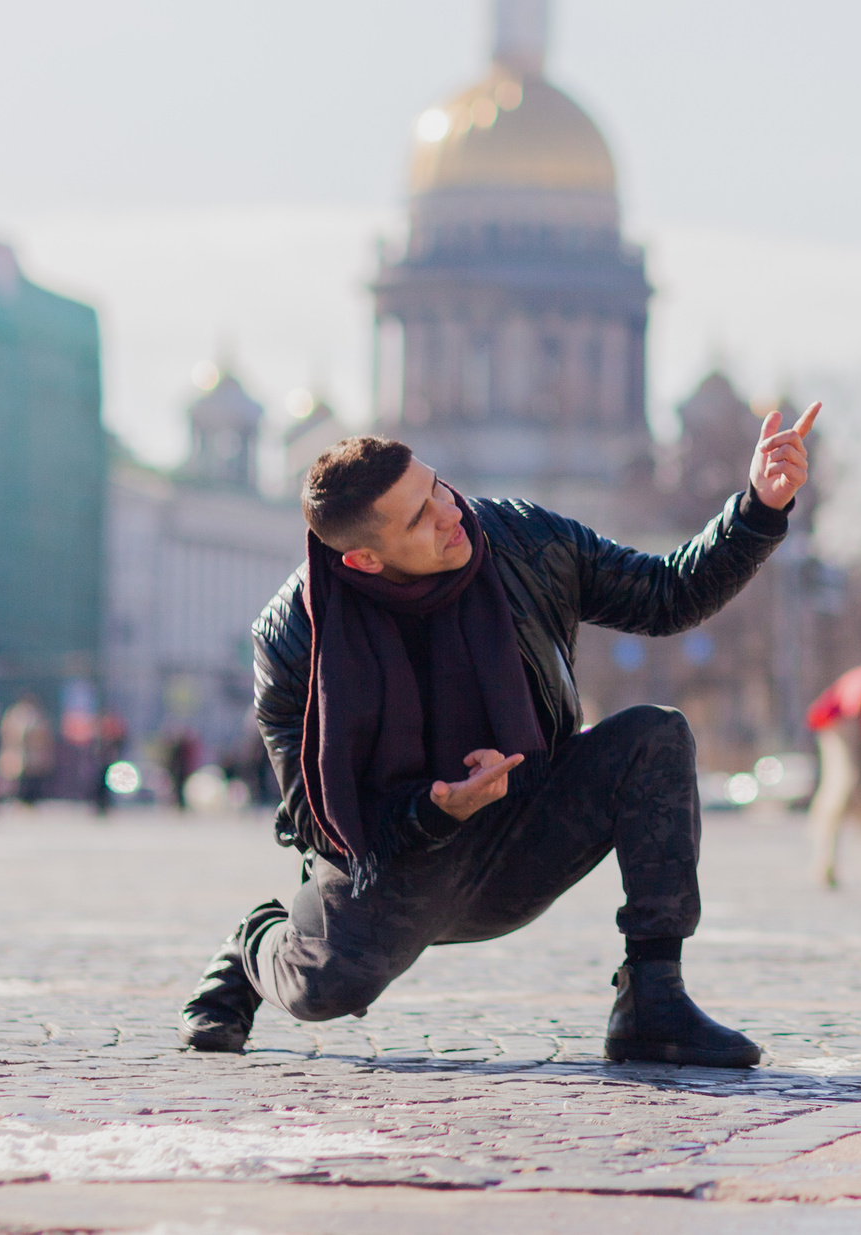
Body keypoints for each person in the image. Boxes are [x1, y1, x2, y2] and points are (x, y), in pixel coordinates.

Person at [177, 408, 818, 1065]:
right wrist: (435, 809)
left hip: (528, 816)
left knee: (655, 737)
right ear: (364, 559)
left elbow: (666, 594)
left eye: (437, 487)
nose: (450, 513)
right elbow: (316, 819)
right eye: (419, 518)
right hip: (396, 855)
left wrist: (759, 507)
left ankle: (652, 998)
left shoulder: (523, 539)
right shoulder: (291, 637)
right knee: (324, 990)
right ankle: (254, 943)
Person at [0, 696, 51, 808]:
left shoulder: (36, 715)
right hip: (17, 754)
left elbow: (42, 735)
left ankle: (28, 801)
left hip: (31, 756)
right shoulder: (15, 714)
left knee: (31, 781)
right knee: (17, 782)